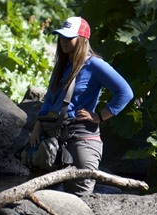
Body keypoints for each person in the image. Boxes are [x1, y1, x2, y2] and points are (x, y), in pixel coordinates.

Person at [30, 16, 133, 196]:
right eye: (61, 36)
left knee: (80, 199)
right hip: (54, 139)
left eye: (69, 37)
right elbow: (49, 100)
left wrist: (100, 116)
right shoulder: (61, 66)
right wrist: (38, 126)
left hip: (82, 141)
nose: (63, 41)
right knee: (45, 196)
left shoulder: (95, 65)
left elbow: (125, 92)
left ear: (82, 40)